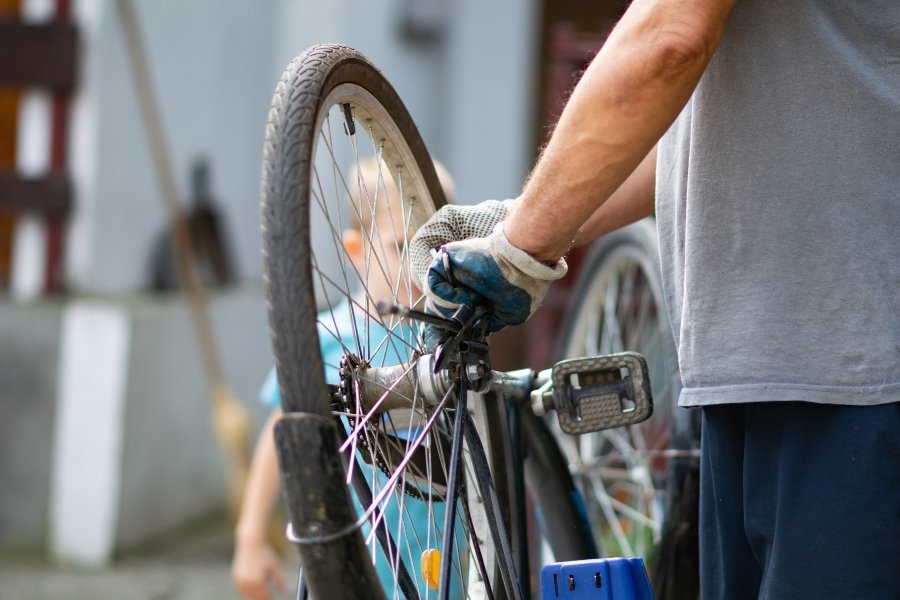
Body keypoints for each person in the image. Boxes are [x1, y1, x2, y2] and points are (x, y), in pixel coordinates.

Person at [409, 1, 899, 599]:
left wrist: (520, 248)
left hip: (855, 379)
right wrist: (521, 221)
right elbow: (684, 144)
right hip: (767, 378)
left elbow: (668, 38)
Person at [233, 158, 460, 600]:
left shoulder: (449, 340)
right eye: (401, 247)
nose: (421, 269)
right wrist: (251, 536)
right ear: (356, 250)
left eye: (436, 253)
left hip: (440, 555)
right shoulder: (325, 339)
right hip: (354, 554)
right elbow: (283, 430)